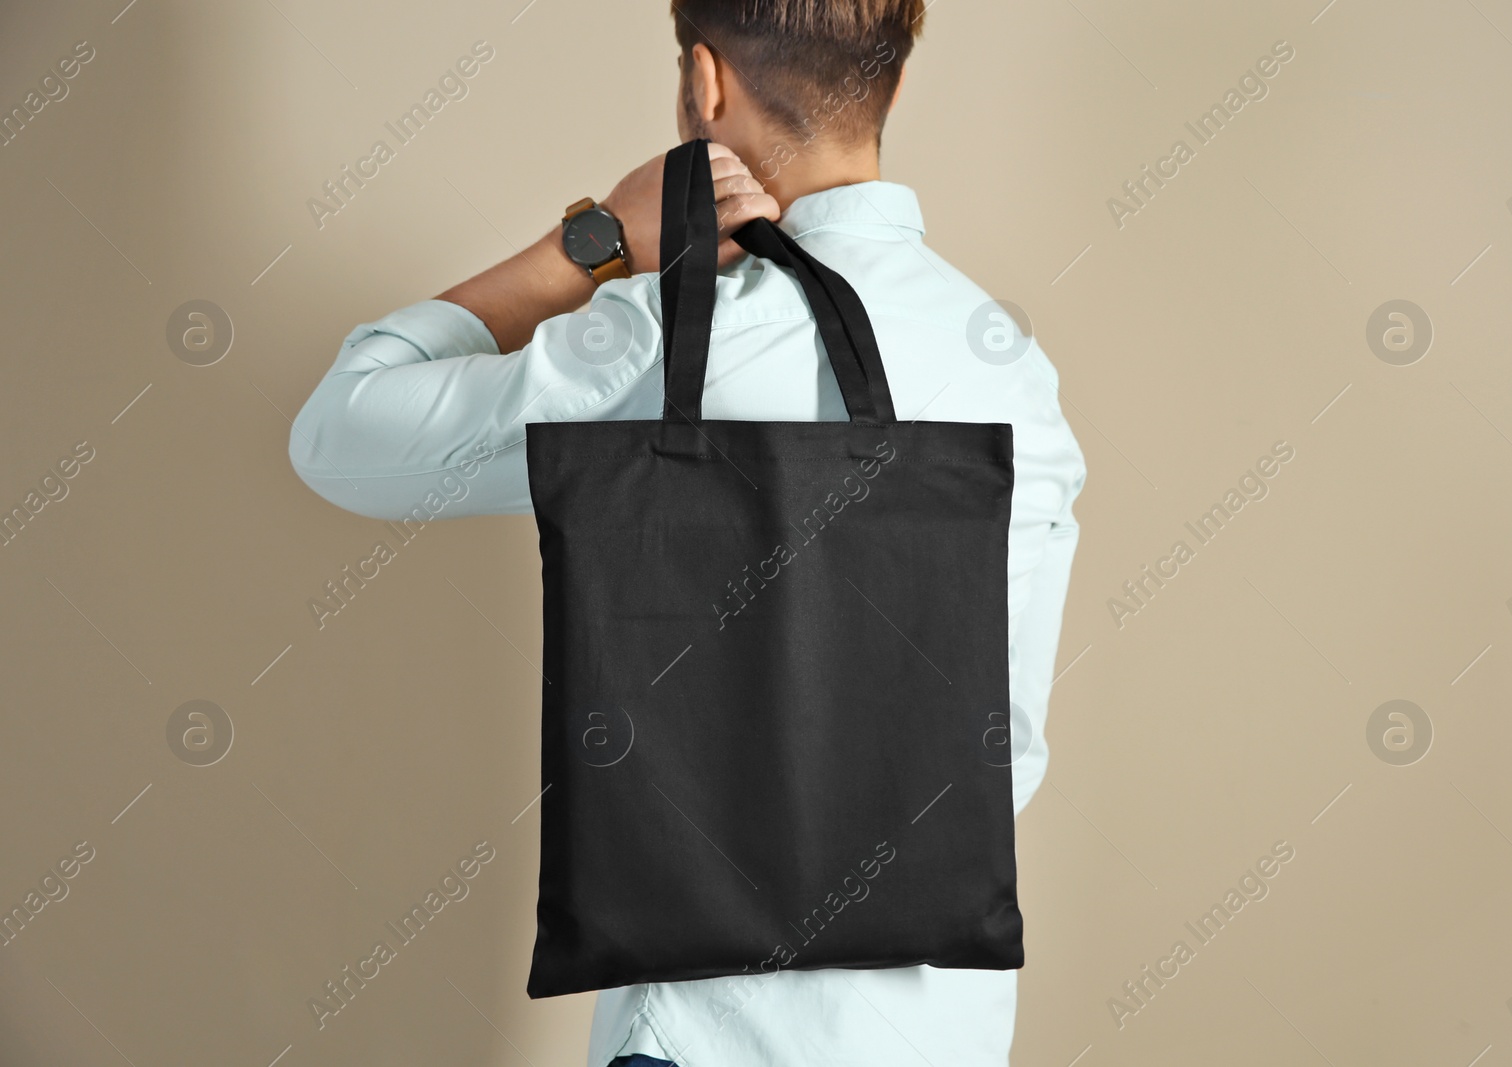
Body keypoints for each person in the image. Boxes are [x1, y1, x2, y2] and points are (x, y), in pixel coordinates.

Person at [289, 1, 1086, 1063]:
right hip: (943, 1033)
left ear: (704, 83)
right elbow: (1008, 746)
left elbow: (341, 435)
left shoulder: (672, 344)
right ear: (889, 80)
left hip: (718, 1037)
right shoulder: (1012, 369)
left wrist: (592, 244)